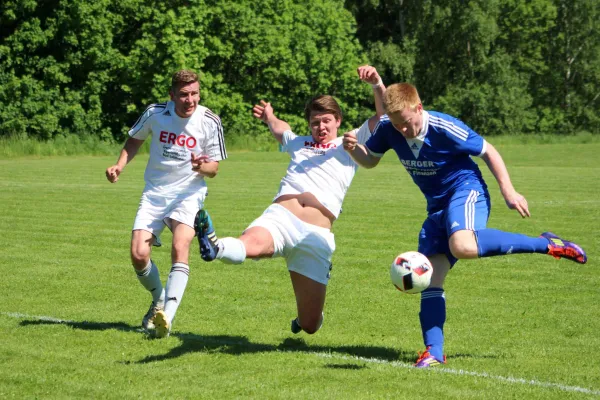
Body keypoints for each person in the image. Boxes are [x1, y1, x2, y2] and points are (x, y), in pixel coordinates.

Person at [342, 82, 588, 367]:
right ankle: (434, 352)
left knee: (462, 245)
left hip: (466, 191)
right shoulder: (388, 127)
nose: (403, 131)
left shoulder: (445, 127)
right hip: (436, 207)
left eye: (407, 124)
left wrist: (508, 191)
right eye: (398, 126)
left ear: (418, 108)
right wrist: (353, 149)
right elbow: (369, 161)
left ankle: (548, 244)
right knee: (430, 278)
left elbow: (488, 151)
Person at [195, 65, 385, 334]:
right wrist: (269, 116)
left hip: (316, 234)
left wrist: (376, 83)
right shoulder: (299, 143)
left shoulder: (350, 142)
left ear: (338, 120)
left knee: (310, 325)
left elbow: (383, 116)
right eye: (315, 122)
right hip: (281, 216)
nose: (320, 126)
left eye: (326, 121)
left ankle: (303, 320)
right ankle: (216, 247)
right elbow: (279, 129)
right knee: (253, 244)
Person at [105, 69, 227, 338]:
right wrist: (119, 165)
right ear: (172, 95)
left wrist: (202, 166)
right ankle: (159, 298)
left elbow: (214, 168)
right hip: (155, 193)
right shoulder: (155, 113)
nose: (190, 99)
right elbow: (134, 140)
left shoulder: (210, 121)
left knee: (180, 244)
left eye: (194, 93)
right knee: (138, 255)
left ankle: (166, 318)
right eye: (184, 94)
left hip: (188, 194)